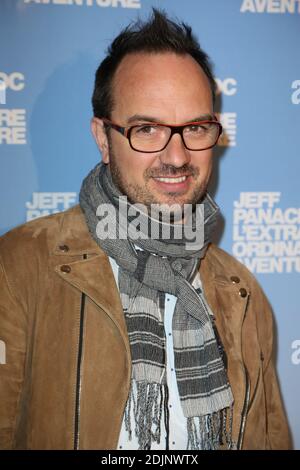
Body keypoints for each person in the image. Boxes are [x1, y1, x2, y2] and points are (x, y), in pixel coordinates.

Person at [0, 9, 292, 451]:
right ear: (103, 138)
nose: (176, 156)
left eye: (195, 127)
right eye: (147, 128)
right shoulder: (21, 266)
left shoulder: (241, 295)